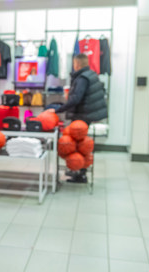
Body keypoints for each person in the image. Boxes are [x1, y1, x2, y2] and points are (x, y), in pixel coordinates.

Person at [53, 53, 107, 183]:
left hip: (82, 115)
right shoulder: (91, 74)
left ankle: (80, 173)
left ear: (76, 64)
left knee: (78, 146)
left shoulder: (82, 78)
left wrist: (59, 109)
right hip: (88, 113)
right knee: (81, 145)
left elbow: (76, 98)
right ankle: (78, 171)